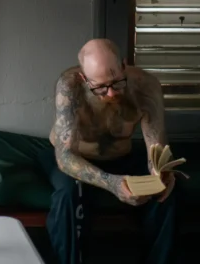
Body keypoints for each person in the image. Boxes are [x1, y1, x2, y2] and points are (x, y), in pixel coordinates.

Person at [38, 39, 177, 264]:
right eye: (100, 87)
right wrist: (111, 184)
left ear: (124, 66)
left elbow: (156, 147)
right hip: (75, 160)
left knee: (167, 194)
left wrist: (160, 172)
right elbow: (65, 157)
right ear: (84, 78)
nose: (111, 93)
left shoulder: (146, 86)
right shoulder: (70, 86)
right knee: (68, 195)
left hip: (122, 158)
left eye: (116, 83)